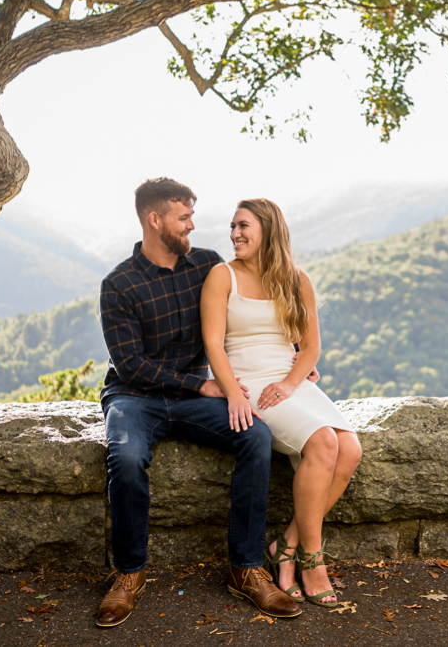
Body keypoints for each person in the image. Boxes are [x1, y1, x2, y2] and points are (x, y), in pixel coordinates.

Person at [96, 179, 302, 628]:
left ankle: (246, 568)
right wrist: (198, 383)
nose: (193, 226)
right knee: (126, 458)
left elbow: (258, 300)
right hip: (135, 398)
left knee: (256, 436)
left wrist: (297, 355)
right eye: (183, 218)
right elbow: (129, 365)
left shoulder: (207, 266)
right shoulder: (118, 284)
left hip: (192, 399)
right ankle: (128, 575)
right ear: (155, 220)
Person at [200, 198, 363, 608]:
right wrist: (234, 393)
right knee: (325, 442)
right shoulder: (222, 276)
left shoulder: (296, 279)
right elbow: (212, 346)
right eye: (233, 226)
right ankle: (312, 559)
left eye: (243, 226)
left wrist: (291, 383)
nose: (235, 234)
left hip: (288, 382)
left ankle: (286, 545)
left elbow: (310, 348)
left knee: (350, 449)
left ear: (269, 230)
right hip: (250, 384)